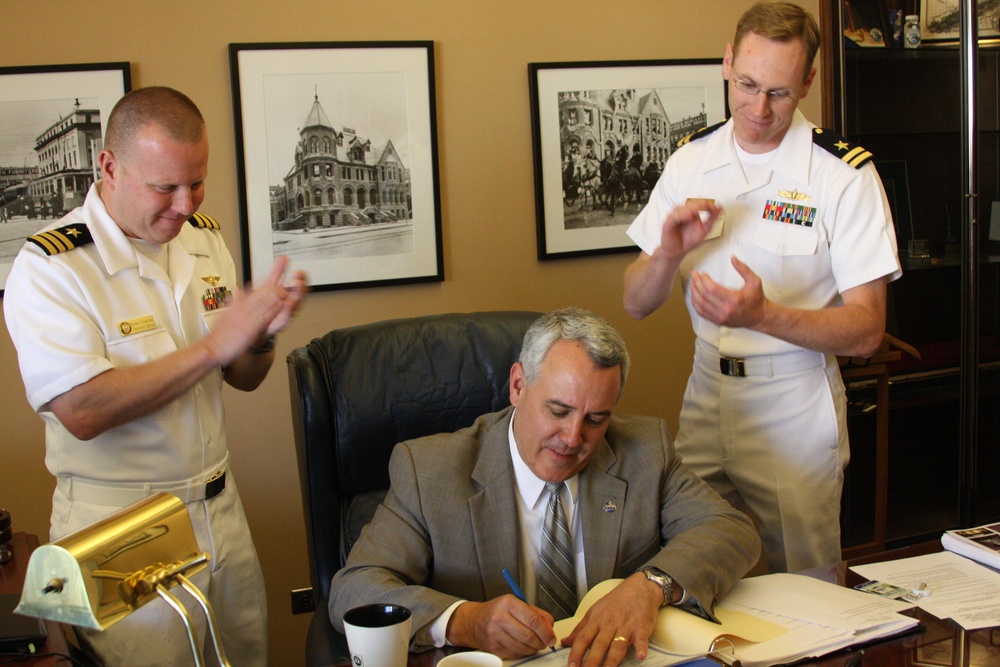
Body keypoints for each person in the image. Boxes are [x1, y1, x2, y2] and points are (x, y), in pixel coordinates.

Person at [4, 86, 307, 666]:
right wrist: (216, 345)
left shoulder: (203, 240)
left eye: (197, 182)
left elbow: (244, 376)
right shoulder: (51, 268)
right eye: (165, 187)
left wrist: (261, 333)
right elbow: (83, 411)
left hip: (220, 511)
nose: (185, 203)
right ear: (110, 166)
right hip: (119, 527)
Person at [622, 1, 901, 573]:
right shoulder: (690, 160)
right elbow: (635, 302)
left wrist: (762, 315)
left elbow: (868, 329)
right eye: (746, 84)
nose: (757, 107)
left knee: (807, 581)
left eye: (778, 92)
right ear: (727, 62)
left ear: (808, 83)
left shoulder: (842, 175)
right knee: (690, 566)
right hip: (707, 392)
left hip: (793, 401)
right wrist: (668, 251)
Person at [329, 308, 760, 667]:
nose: (573, 438)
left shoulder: (645, 451)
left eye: (596, 419)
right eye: (558, 410)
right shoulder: (429, 471)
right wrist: (466, 621)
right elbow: (356, 587)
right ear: (518, 386)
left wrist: (649, 586)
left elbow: (729, 529)